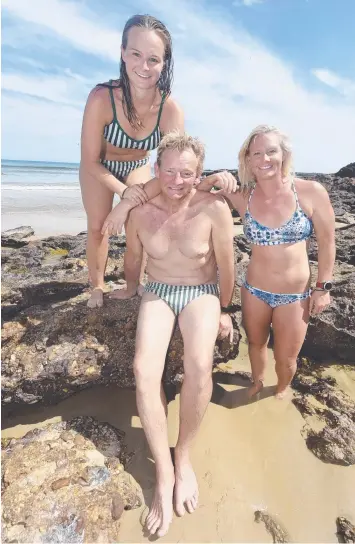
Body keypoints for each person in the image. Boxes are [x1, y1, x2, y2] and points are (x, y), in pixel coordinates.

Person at [113, 132, 235, 537]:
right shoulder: (140, 212)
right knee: (144, 369)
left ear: (199, 173)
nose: (177, 180)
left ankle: (183, 457)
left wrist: (225, 309)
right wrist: (130, 289)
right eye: (169, 170)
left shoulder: (214, 208)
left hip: (200, 292)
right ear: (156, 169)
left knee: (199, 364)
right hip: (159, 290)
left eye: (187, 173)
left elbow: (226, 266)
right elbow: (133, 257)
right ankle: (163, 475)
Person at [201, 125, 335, 399]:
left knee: (286, 359)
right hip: (254, 291)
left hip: (294, 296)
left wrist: (323, 286)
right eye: (257, 153)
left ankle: (282, 388)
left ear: (284, 154)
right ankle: (257, 382)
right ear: (247, 160)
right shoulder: (244, 195)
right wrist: (215, 176)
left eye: (271, 151)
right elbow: (198, 190)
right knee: (255, 344)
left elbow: (327, 241)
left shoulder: (310, 192)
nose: (264, 160)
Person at [79, 14, 184, 308]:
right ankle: (97, 285)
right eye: (136, 54)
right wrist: (121, 192)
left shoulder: (170, 110)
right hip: (99, 167)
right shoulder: (102, 98)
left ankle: (134, 284)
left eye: (154, 59)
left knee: (144, 216)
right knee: (99, 225)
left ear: (164, 63)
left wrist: (127, 203)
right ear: (123, 53)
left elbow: (173, 170)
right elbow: (89, 160)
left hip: (137, 165)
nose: (144, 66)